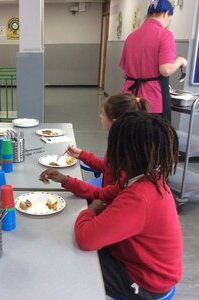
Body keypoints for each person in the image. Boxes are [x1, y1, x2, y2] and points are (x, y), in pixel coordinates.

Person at [75, 112, 181, 299]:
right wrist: (68, 181)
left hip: (147, 281)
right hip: (140, 263)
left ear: (125, 153)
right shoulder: (142, 178)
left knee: (76, 261)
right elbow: (102, 194)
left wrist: (90, 210)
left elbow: (86, 238)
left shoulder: (139, 197)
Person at [40, 93, 148, 203]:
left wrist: (66, 180)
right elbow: (108, 168)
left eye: (103, 114)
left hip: (110, 203)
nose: (100, 116)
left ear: (115, 122)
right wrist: (82, 155)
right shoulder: (121, 143)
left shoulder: (128, 159)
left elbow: (105, 195)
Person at [119, 0, 187, 121]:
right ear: (166, 14)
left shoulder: (131, 36)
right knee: (154, 136)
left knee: (131, 133)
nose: (167, 22)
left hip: (130, 98)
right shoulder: (165, 35)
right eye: (169, 19)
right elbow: (165, 70)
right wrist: (180, 61)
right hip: (153, 100)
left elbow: (125, 72)